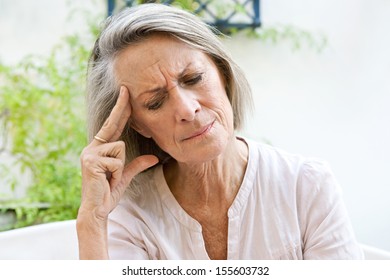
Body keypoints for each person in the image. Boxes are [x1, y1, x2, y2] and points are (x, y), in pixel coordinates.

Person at [76, 3, 363, 260]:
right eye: (155, 102)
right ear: (136, 123)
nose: (188, 110)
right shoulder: (130, 215)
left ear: (223, 74)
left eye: (194, 78)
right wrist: (91, 221)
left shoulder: (307, 186)